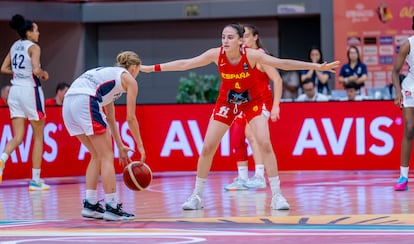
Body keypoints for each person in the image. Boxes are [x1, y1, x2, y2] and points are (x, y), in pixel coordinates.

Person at [140, 24, 339, 210]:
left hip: (252, 101)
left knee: (264, 143)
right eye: (223, 37)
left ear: (240, 41)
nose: (225, 41)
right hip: (227, 101)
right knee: (208, 146)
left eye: (230, 37)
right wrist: (153, 68)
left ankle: (277, 195)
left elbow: (282, 64)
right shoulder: (216, 54)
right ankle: (197, 196)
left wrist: (315, 67)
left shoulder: (251, 55)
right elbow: (185, 64)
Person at [62, 51, 146, 221]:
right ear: (134, 67)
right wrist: (140, 146)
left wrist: (121, 145)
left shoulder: (110, 78)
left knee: (97, 155)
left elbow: (111, 119)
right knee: (107, 156)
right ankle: (112, 206)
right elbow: (130, 118)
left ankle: (90, 204)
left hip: (68, 104)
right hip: (86, 99)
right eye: (139, 69)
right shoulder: (129, 80)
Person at [225, 23, 283, 191]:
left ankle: (259, 176)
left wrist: (276, 106)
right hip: (244, 103)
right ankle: (242, 178)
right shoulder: (243, 56)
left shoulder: (259, 56)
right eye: (243, 37)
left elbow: (277, 80)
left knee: (252, 134)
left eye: (248, 36)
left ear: (256, 37)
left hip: (262, 102)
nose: (244, 40)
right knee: (236, 136)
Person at [0, 14, 50, 190]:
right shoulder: (34, 47)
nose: (38, 33)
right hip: (30, 91)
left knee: (18, 136)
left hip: (14, 91)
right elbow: (36, 69)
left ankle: (2, 159)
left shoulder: (14, 46)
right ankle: (35, 180)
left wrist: (19, 73)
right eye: (36, 30)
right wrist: (43, 74)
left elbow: (3, 68)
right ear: (29, 33)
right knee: (38, 136)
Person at [392, 17, 414, 192]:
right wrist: (398, 92)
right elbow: (395, 71)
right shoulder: (408, 44)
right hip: (410, 88)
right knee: (409, 128)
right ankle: (403, 176)